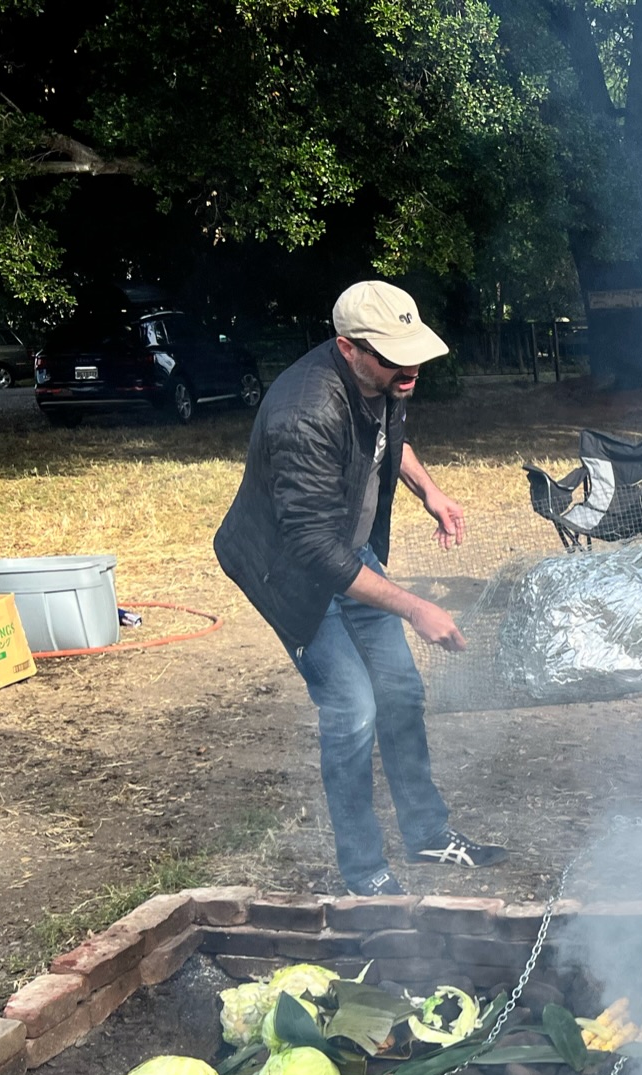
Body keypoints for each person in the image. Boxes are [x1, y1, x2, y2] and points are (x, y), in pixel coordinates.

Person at [215, 280, 506, 897]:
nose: (411, 369)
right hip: (287, 568)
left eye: (414, 353)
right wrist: (414, 605)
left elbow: (385, 441)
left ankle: (429, 835)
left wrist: (429, 489)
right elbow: (311, 549)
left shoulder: (389, 377)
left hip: (348, 549)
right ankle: (365, 872)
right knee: (352, 709)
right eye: (393, 358)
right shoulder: (305, 412)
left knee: (400, 689)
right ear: (348, 349)